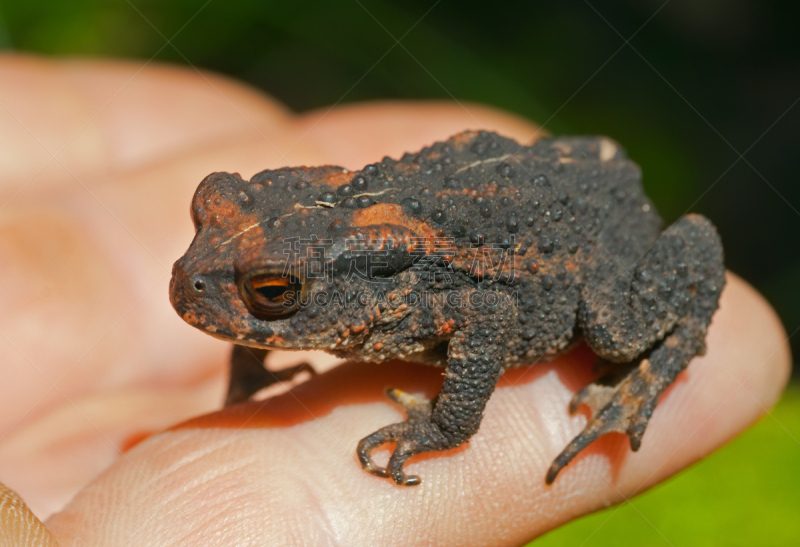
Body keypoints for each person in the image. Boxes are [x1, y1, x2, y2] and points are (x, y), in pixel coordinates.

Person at [0, 55, 790, 545]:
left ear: (313, 292)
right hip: (468, 198)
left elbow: (494, 312)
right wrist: (249, 370)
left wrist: (448, 422)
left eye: (269, 292)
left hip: (581, 236)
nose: (192, 274)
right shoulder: (316, 280)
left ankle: (660, 368)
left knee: (616, 330)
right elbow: (269, 283)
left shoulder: (393, 287)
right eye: (209, 216)